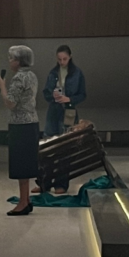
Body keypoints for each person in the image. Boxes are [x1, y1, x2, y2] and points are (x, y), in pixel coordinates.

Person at [0, 45, 40, 216]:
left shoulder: (19, 78)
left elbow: (11, 103)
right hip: (31, 123)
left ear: (19, 61)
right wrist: (0, 87)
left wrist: (2, 86)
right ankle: (26, 200)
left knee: (21, 164)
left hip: (20, 125)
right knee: (26, 163)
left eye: (11, 58)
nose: (9, 61)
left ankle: (23, 202)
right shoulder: (31, 75)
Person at [39, 45, 87, 194]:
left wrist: (69, 99)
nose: (62, 62)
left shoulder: (77, 73)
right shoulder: (53, 73)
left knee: (65, 149)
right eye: (59, 59)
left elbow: (83, 94)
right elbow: (45, 92)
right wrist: (52, 96)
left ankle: (61, 184)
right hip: (53, 111)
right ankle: (44, 183)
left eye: (64, 59)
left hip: (69, 112)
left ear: (70, 57)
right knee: (47, 147)